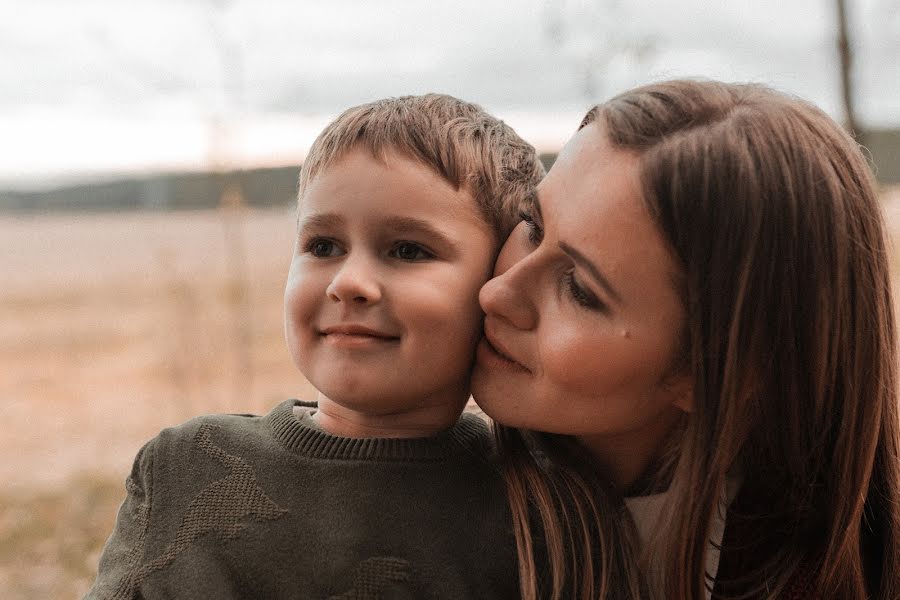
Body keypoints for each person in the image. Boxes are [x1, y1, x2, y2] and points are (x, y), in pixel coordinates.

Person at [86, 93, 547, 599]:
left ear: (501, 283)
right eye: (323, 246)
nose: (349, 282)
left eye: (408, 250)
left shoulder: (534, 502)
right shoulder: (184, 468)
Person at [471, 80, 900, 599]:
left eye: (581, 290)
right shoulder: (427, 494)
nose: (497, 293)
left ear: (722, 373)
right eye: (532, 225)